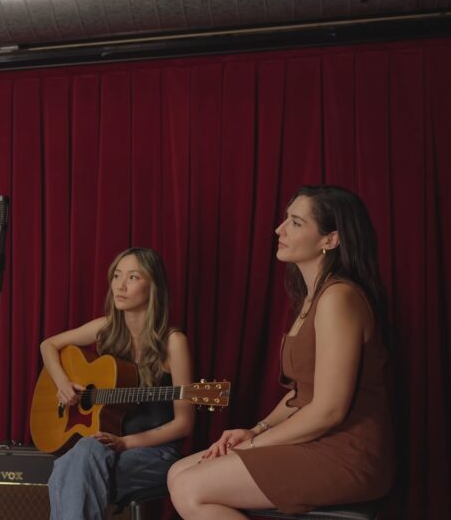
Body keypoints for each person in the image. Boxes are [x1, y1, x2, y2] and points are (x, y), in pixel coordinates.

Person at [167, 185, 394, 519]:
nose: (279, 229)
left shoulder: (338, 298)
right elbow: (301, 394)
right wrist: (256, 429)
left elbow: (328, 411)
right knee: (177, 472)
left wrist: (252, 446)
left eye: (296, 223)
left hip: (347, 452)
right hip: (315, 440)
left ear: (330, 239)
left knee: (190, 487)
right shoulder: (312, 299)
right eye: (286, 219)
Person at [43, 247, 194, 520]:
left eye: (133, 277)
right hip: (102, 448)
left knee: (69, 469)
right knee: (83, 457)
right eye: (117, 275)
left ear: (153, 287)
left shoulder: (173, 343)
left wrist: (124, 442)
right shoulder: (107, 329)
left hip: (154, 453)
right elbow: (48, 345)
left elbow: (184, 423)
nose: (120, 286)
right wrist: (63, 383)